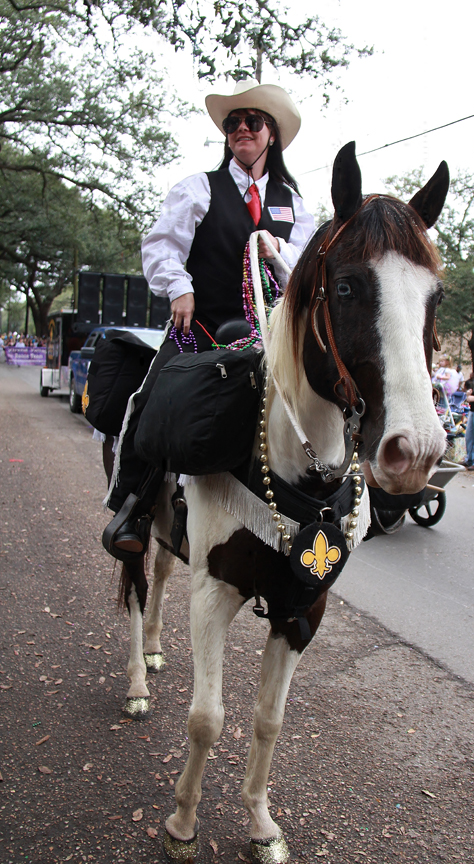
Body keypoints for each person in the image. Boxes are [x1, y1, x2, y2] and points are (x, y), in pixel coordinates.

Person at [102, 79, 315, 560]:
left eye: (252, 121)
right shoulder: (199, 188)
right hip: (200, 330)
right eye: (233, 123)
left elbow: (308, 264)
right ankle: (133, 507)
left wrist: (280, 248)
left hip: (268, 337)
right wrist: (180, 287)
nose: (242, 128)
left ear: (271, 135)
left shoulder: (292, 203)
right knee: (151, 397)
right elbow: (161, 246)